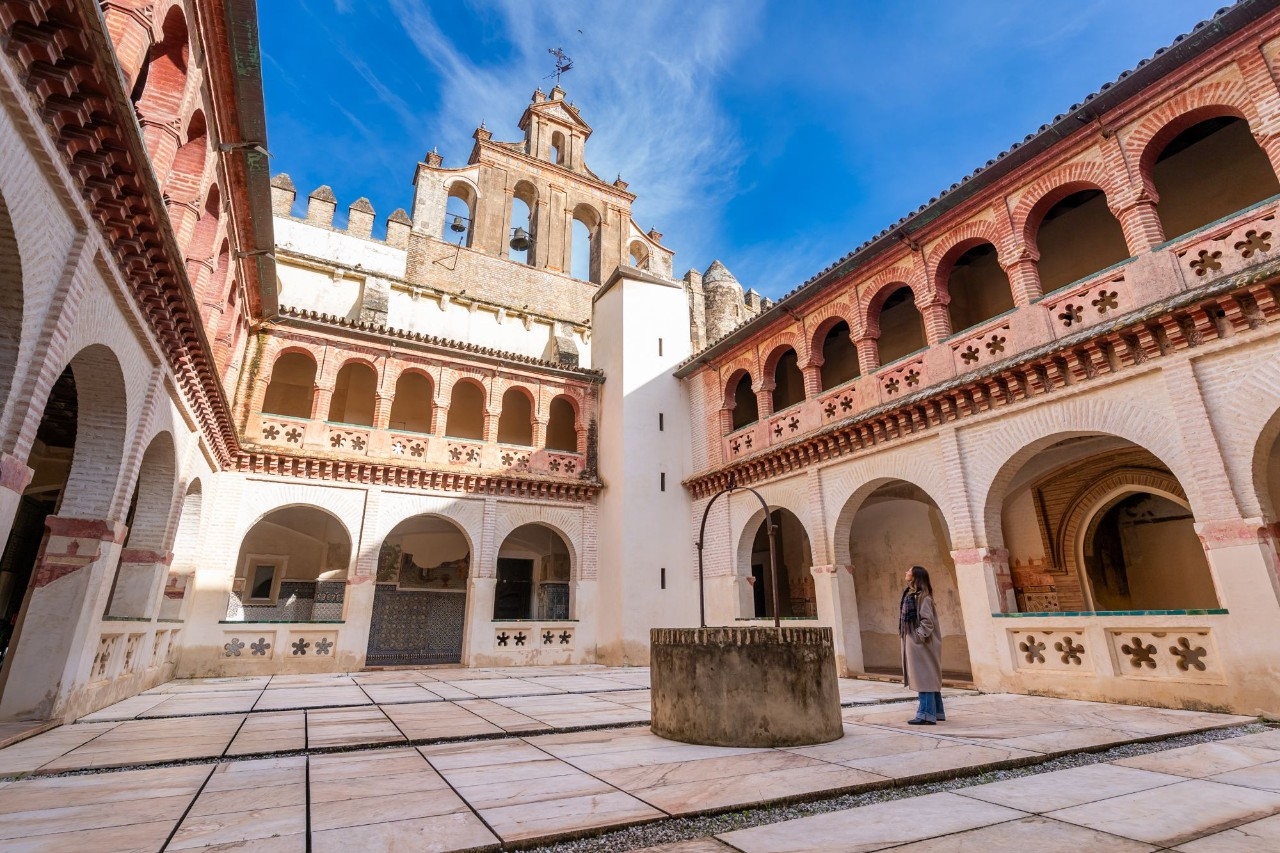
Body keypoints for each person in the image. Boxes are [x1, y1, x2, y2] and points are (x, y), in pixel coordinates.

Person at [899, 565, 945, 725]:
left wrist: (917, 637)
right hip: (917, 644)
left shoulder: (923, 597)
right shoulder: (912, 595)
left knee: (924, 677)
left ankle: (925, 714)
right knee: (928, 677)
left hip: (923, 645)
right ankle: (937, 712)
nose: (906, 572)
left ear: (915, 576)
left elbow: (927, 622)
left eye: (909, 571)